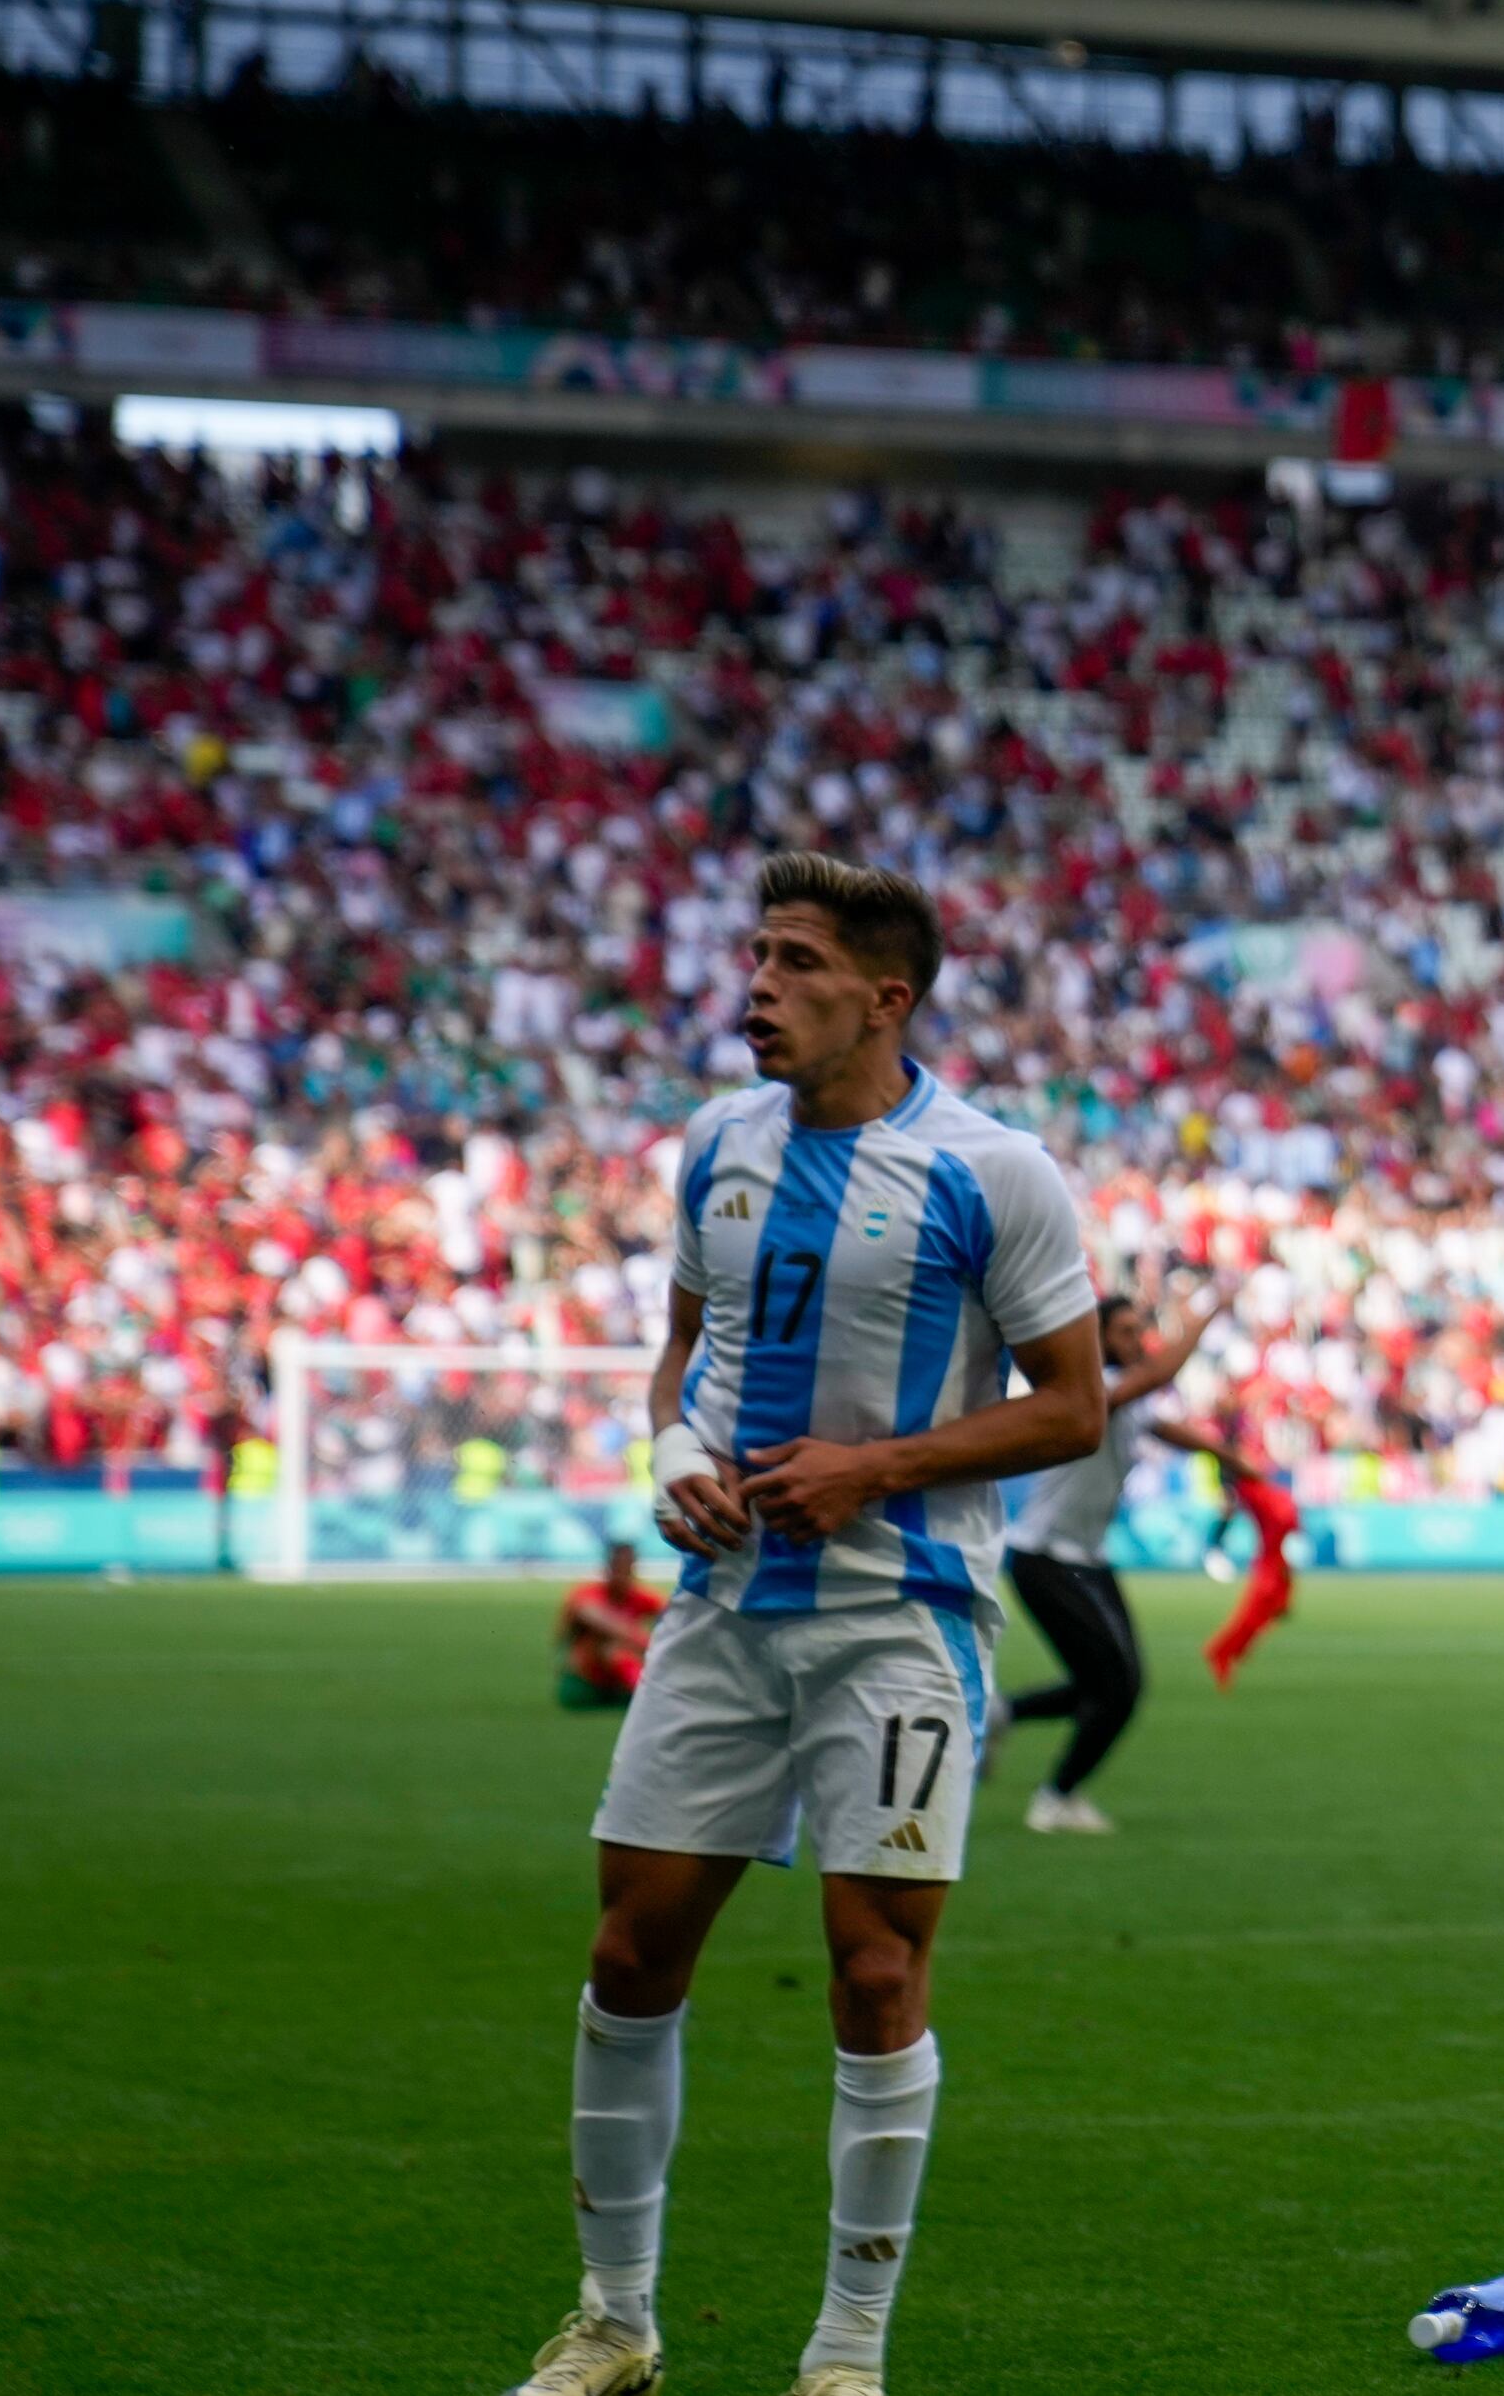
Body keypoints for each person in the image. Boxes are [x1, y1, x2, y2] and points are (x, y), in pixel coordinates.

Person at [510, 851, 1102, 2396]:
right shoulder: (714, 1144)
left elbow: (1076, 1407)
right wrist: (673, 1459)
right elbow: (682, 1354)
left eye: (795, 962)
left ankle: (846, 2354)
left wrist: (881, 1466)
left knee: (874, 1974)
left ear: (885, 997)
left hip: (900, 1619)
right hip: (719, 1611)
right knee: (632, 1949)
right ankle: (615, 2325)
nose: (756, 985)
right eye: (756, 954)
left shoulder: (994, 1169)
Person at [998, 1269, 1216, 1836]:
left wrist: (1236, 1464)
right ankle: (1055, 1799)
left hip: (1085, 1557)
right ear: (1095, 1337)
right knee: (1117, 1688)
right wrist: (1201, 1320)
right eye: (1123, 1330)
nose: (1134, 1339)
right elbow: (1156, 1378)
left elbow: (1163, 1425)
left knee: (1109, 1685)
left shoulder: (1121, 1387)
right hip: (1046, 1556)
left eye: (1139, 1329)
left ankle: (1004, 1715)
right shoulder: (1090, 1382)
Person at [1204, 1433, 1302, 1691]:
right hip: (1271, 1560)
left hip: (1277, 1559)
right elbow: (1283, 1521)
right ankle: (1221, 1652)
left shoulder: (1261, 1489)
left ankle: (1230, 1650)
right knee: (1255, 1613)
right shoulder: (1252, 1490)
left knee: (1267, 1611)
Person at [558, 1538, 664, 1712]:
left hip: (620, 1684)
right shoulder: (587, 1595)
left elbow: (671, 1615)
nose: (623, 1572)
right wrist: (652, 1646)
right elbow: (606, 1624)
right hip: (586, 1682)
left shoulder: (640, 1596)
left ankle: (644, 1692)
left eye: (628, 1566)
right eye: (618, 1566)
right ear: (609, 1566)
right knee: (611, 1646)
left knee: (619, 1648)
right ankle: (646, 1694)